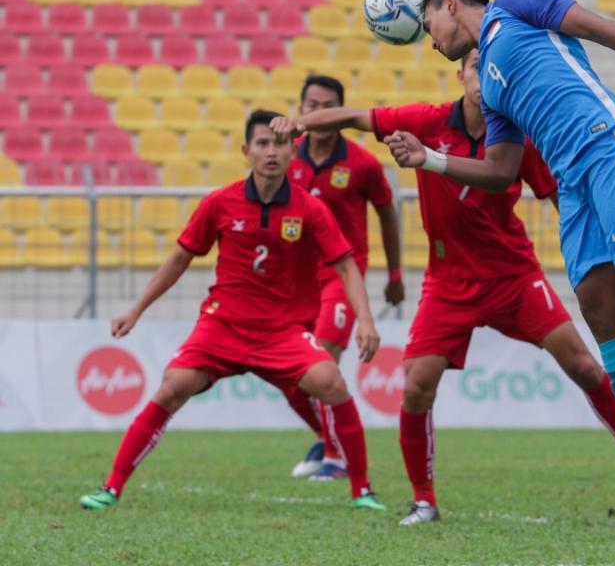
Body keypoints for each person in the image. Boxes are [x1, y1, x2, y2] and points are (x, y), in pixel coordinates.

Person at [270, 48, 615, 524]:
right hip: (448, 281)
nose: (483, 78)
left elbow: (557, 201)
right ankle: (424, 500)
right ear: (461, 74)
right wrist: (304, 122)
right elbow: (360, 116)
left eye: (492, 70)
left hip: (513, 275)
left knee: (585, 366)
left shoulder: (517, 137)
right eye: (475, 68)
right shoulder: (427, 120)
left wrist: (591, 258)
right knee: (416, 389)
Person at [383, 0, 615, 511]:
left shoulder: (516, 5)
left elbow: (597, 27)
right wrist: (430, 159)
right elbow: (499, 170)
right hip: (571, 180)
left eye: (428, 27)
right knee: (596, 303)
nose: (431, 41)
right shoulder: (490, 90)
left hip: (607, 143)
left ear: (449, 3)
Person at [79, 111, 386, 512]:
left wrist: (365, 319)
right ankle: (112, 487)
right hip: (223, 326)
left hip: (282, 331)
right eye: (262, 143)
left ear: (292, 151)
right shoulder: (220, 203)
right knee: (173, 386)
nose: (271, 152)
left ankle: (361, 489)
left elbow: (346, 264)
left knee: (332, 383)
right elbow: (179, 259)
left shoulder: (310, 209)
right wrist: (136, 310)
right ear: (247, 152)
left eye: (278, 144)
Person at [283, 76, 404, 482]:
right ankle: (325, 434)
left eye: (327, 105)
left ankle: (336, 455)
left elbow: (388, 214)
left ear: (340, 111)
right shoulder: (285, 158)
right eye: (311, 104)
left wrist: (395, 273)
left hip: (341, 275)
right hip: (295, 281)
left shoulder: (363, 164)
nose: (318, 113)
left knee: (320, 365)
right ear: (300, 109)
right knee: (290, 379)